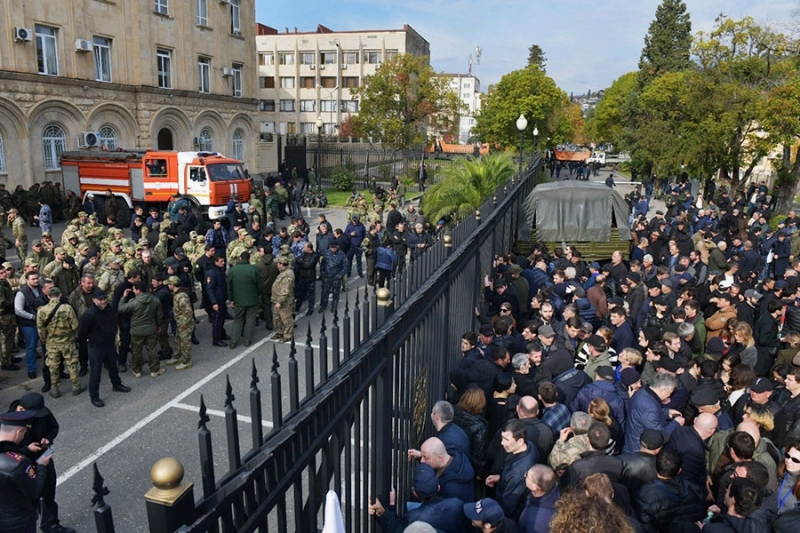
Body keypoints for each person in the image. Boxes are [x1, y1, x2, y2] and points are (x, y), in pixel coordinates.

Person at [76, 289, 131, 407]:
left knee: (113, 367)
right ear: (94, 300)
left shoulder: (110, 309)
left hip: (109, 344)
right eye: (100, 300)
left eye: (104, 298)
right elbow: (81, 332)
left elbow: (116, 321)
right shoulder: (89, 314)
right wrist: (89, 341)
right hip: (96, 347)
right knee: (96, 372)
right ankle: (94, 396)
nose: (103, 301)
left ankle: (116, 384)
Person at [0, 411, 52, 533]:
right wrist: (41, 467)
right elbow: (34, 490)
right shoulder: (19, 464)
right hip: (18, 522)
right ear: (19, 432)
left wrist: (25, 449)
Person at [486, 419, 539, 520]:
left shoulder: (518, 473)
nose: (502, 443)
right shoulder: (530, 446)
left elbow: (508, 506)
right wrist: (501, 478)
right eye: (502, 438)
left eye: (506, 439)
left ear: (520, 441)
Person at [37, 287, 85, 398]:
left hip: (52, 343)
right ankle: (76, 386)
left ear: (48, 296)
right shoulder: (67, 308)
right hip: (68, 342)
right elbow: (75, 325)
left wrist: (46, 341)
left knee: (53, 367)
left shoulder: (42, 310)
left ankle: (55, 390)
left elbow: (40, 329)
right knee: (72, 364)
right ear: (60, 295)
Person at [118, 280, 165, 379]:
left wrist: (124, 297)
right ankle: (154, 370)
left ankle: (137, 371)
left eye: (134, 289)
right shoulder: (155, 300)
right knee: (152, 350)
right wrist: (158, 325)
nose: (133, 291)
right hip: (151, 329)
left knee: (136, 351)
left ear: (139, 290)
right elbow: (160, 315)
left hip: (136, 331)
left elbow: (121, 309)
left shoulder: (133, 302)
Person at [15, 271, 47, 381]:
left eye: (37, 278)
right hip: (29, 325)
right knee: (31, 347)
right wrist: (33, 317)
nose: (36, 280)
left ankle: (49, 367)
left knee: (46, 346)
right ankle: (31, 369)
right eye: (33, 279)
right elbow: (18, 310)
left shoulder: (41, 289)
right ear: (27, 280)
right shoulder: (22, 293)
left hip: (43, 324)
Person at [226, 251, 262, 348]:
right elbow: (260, 285)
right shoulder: (253, 269)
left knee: (238, 320)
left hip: (238, 300)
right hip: (252, 299)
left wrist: (231, 299)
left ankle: (233, 341)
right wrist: (257, 295)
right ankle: (247, 340)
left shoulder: (233, 270)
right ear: (249, 258)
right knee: (250, 320)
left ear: (240, 258)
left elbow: (229, 286)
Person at [518, 464, 559, 533]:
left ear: (536, 487)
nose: (524, 476)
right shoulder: (553, 490)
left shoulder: (539, 521)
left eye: (527, 476)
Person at [165, 277, 194, 370]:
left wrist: (183, 324)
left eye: (168, 284)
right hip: (180, 322)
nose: (167, 286)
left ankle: (186, 361)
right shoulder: (176, 294)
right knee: (178, 340)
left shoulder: (181, 296)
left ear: (172, 285)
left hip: (184, 324)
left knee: (185, 343)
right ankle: (178, 356)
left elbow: (188, 312)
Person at [206, 254, 229, 347]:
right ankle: (216, 339)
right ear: (215, 262)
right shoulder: (211, 273)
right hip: (217, 300)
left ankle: (222, 334)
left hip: (222, 298)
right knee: (217, 320)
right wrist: (214, 302)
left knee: (222, 318)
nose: (223, 263)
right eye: (221, 261)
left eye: (223, 261)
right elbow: (209, 289)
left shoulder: (220, 270)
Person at [271, 256, 296, 343]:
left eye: (278, 263)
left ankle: (287, 335)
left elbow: (286, 289)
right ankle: (279, 332)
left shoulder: (288, 274)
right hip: (276, 299)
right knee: (277, 318)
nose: (277, 265)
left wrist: (280, 301)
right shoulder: (283, 272)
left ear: (281, 264)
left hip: (283, 301)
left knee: (286, 318)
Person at [319, 241, 347, 313]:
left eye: (334, 247)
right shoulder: (326, 253)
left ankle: (334, 306)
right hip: (327, 277)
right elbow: (322, 264)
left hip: (336, 277)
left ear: (337, 246)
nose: (333, 248)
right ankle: (323, 306)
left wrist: (340, 275)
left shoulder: (341, 254)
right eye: (332, 247)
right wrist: (322, 272)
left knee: (335, 293)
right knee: (324, 292)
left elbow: (345, 266)